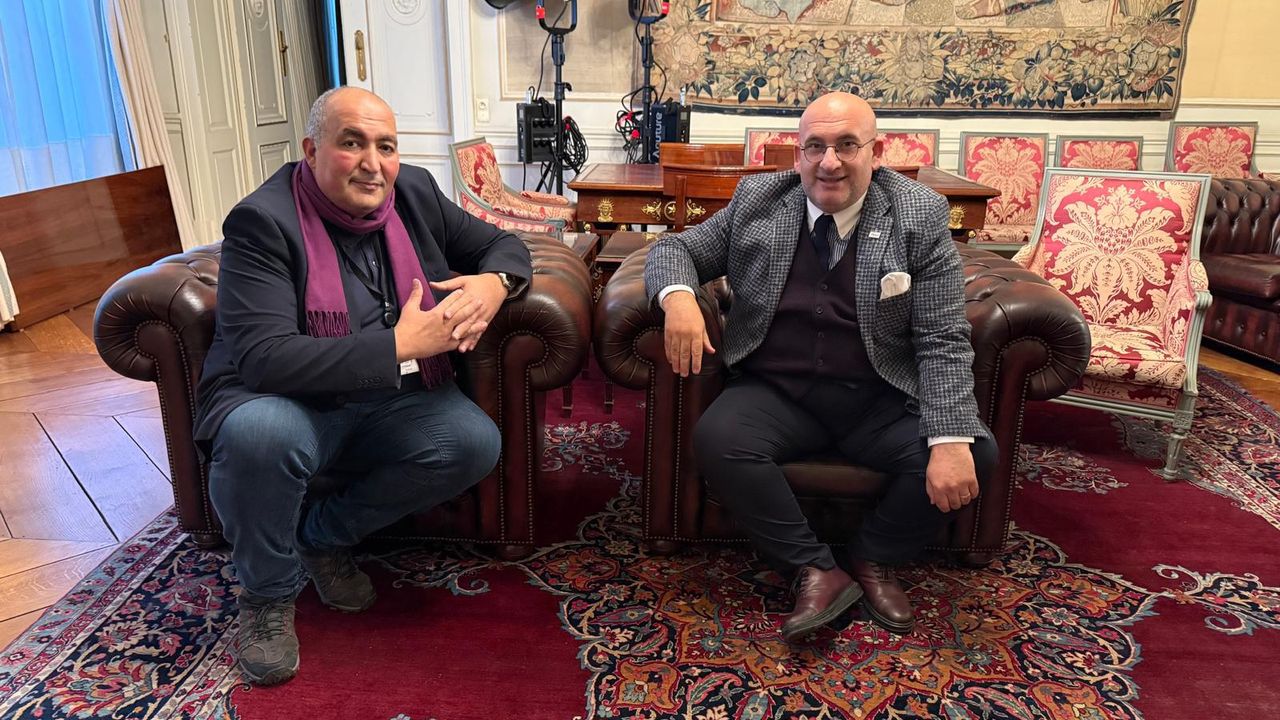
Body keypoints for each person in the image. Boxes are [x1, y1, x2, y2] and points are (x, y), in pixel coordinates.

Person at [194, 87, 532, 685]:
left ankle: (321, 537)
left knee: (473, 443)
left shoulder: (414, 192)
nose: (373, 164)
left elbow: (500, 244)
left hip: (391, 399)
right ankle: (267, 597)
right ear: (311, 150)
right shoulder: (262, 221)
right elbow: (266, 359)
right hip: (286, 401)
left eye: (386, 147)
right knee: (260, 434)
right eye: (352, 144)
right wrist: (398, 345)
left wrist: (494, 283)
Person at [645, 92, 996, 641]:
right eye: (815, 147)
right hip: (777, 392)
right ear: (798, 156)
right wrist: (679, 299)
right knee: (717, 439)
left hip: (877, 396)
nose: (830, 162)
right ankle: (815, 570)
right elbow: (675, 250)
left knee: (975, 451)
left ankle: (874, 556)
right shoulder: (760, 200)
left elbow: (942, 335)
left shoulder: (918, 213)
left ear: (876, 152)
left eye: (847, 145)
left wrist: (948, 438)